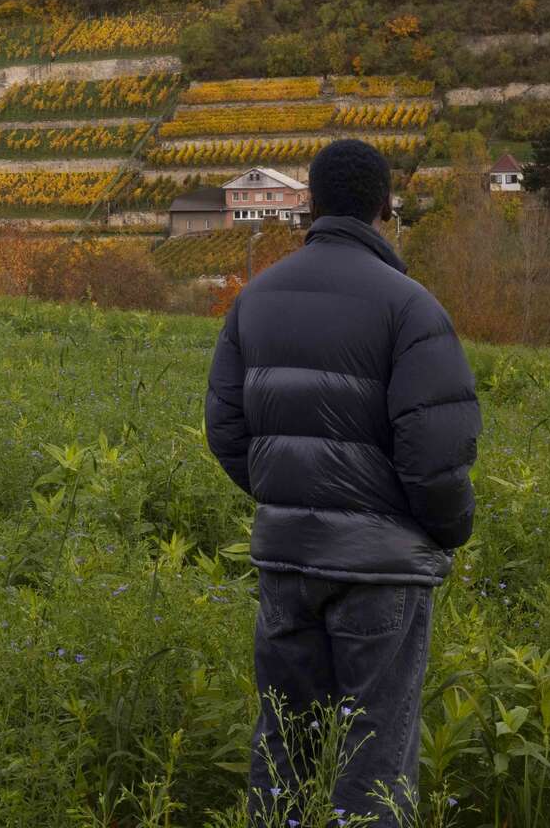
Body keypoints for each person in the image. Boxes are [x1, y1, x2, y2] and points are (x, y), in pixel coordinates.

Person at [204, 140, 481, 822]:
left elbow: (227, 430)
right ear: (385, 207)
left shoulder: (256, 299)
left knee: (282, 747)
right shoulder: (412, 309)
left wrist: (292, 497)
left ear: (311, 204)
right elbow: (436, 454)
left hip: (286, 563)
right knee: (377, 761)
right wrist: (444, 531)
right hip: (382, 571)